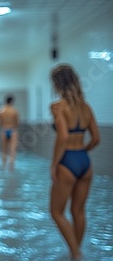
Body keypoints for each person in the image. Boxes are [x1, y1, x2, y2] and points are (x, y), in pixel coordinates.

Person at [49, 64, 100, 259]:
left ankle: (76, 253)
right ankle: (75, 253)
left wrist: (54, 164)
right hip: (84, 162)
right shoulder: (86, 107)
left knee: (56, 212)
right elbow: (96, 139)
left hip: (67, 162)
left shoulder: (57, 106)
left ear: (57, 84)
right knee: (78, 211)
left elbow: (62, 137)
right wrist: (82, 152)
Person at [0, 95, 19, 169]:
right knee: (12, 150)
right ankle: (11, 166)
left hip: (4, 130)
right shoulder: (14, 111)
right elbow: (16, 123)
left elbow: (0, 123)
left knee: (4, 149)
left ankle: (3, 165)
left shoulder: (1, 111)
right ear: (12, 101)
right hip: (12, 130)